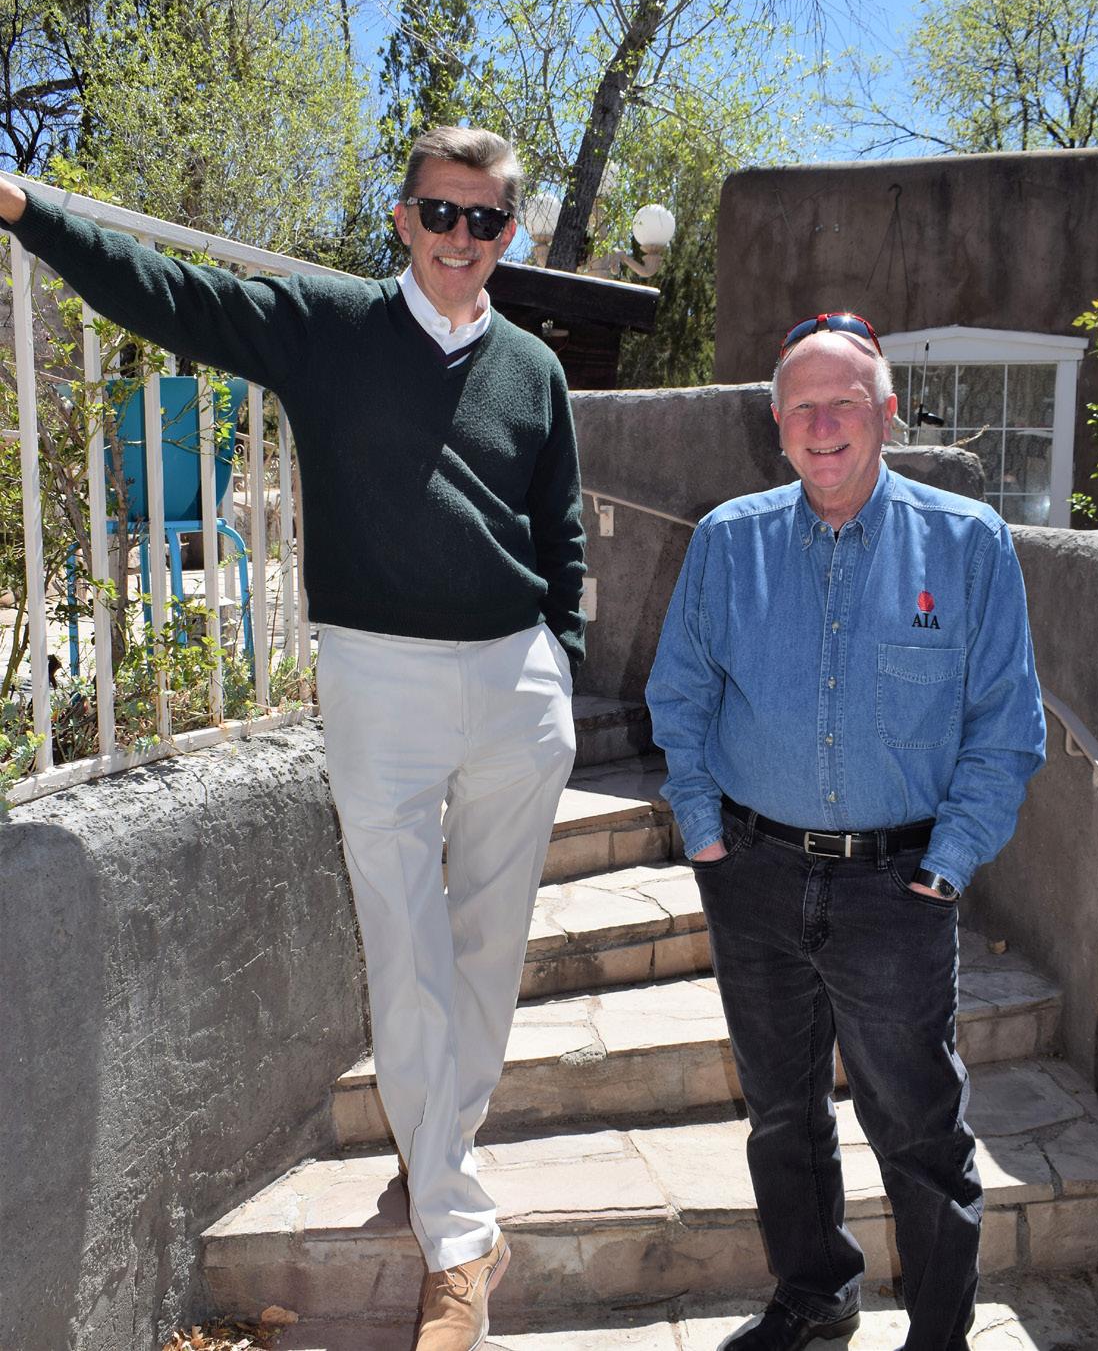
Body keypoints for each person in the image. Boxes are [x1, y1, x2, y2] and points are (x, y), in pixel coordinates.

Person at [0, 126, 584, 1351]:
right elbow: (172, 295)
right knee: (403, 949)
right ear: (403, 217)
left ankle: (439, 1154)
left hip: (513, 683)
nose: (459, 238)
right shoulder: (328, 326)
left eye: (484, 219)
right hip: (379, 676)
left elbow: (560, 528)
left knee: (487, 949)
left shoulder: (534, 367)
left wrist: (561, 660)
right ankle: (459, 1243)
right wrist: (27, 214)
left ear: (509, 232)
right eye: (439, 212)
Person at [646, 312, 1045, 1351]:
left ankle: (939, 1334)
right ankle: (816, 1291)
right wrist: (705, 834)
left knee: (917, 1129)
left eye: (845, 404)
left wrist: (946, 866)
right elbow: (680, 694)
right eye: (802, 408)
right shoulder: (728, 541)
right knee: (781, 1114)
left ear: (887, 414)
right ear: (776, 423)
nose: (823, 426)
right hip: (753, 873)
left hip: (896, 888)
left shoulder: (967, 544)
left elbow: (1007, 729)